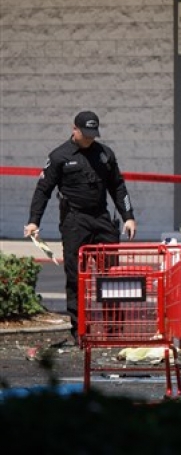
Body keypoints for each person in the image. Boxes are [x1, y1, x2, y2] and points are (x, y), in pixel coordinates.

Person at [24, 111, 137, 340]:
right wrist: (34, 220)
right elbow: (43, 190)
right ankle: (80, 330)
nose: (89, 139)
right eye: (85, 134)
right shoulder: (59, 156)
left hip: (102, 219)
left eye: (93, 134)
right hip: (74, 221)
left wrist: (128, 216)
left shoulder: (105, 154)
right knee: (76, 276)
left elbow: (118, 187)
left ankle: (114, 330)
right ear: (74, 129)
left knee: (111, 276)